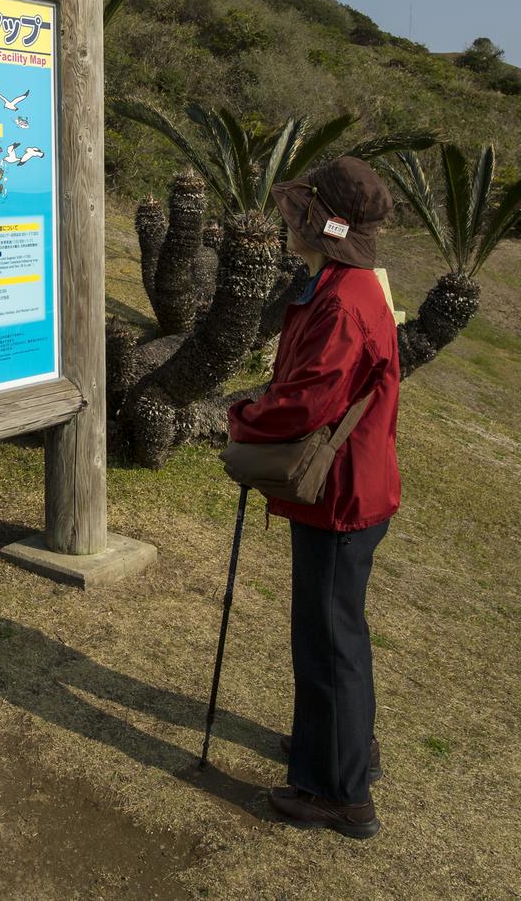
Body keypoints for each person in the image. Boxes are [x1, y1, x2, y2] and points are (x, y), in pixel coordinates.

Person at [227, 156, 401, 839]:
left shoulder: (343, 300)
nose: (288, 225)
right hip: (354, 487)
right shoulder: (346, 285)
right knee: (337, 632)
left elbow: (306, 402)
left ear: (321, 224)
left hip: (341, 496)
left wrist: (245, 417)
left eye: (297, 215)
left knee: (328, 640)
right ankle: (344, 748)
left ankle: (340, 793)